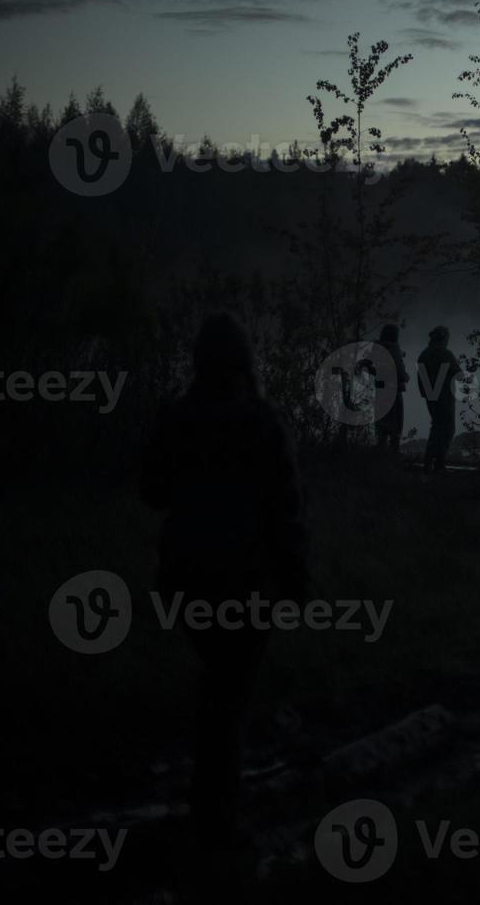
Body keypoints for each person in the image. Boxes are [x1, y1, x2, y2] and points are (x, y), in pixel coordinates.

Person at [140, 312, 308, 847]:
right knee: (229, 696)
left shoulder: (176, 416)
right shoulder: (263, 421)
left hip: (188, 579)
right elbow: (286, 511)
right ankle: (216, 819)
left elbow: (153, 493)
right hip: (245, 583)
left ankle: (209, 805)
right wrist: (297, 582)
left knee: (219, 684)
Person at [417, 326, 463, 474]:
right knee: (448, 429)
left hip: (431, 398)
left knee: (436, 427)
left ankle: (428, 462)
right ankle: (440, 463)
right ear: (443, 339)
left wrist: (425, 393)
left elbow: (421, 378)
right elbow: (459, 375)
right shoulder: (446, 354)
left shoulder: (423, 354)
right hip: (445, 397)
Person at [371, 324, 409, 455]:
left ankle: (380, 456)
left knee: (382, 426)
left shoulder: (376, 349)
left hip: (380, 390)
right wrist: (406, 377)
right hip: (393, 391)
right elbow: (400, 372)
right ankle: (393, 456)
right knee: (396, 427)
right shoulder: (394, 348)